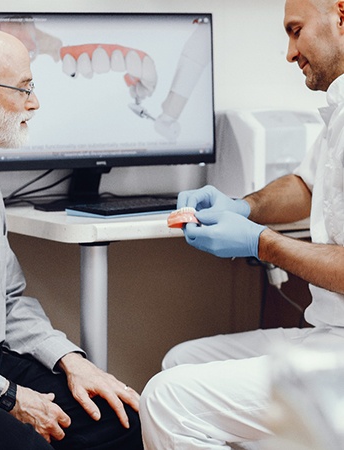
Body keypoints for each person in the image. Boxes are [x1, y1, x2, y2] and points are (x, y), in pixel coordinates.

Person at [139, 0, 344, 448]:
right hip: (331, 334)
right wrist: (240, 206)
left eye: (295, 30)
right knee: (180, 362)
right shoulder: (340, 111)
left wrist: (262, 244)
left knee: (167, 399)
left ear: (341, 16)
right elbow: (308, 185)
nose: (289, 53)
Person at [0, 24, 143, 450]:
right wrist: (10, 397)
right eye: (24, 89)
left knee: (121, 420)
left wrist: (72, 361)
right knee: (26, 445)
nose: (35, 102)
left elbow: (8, 301)